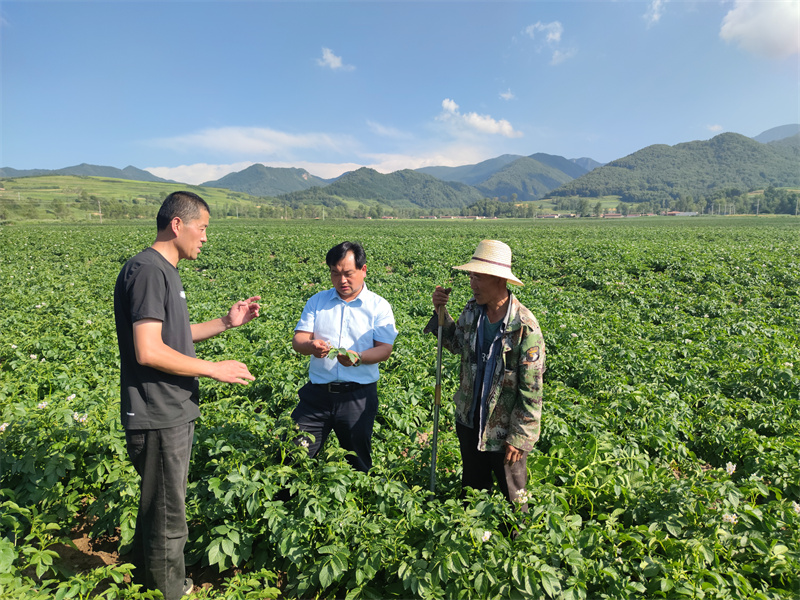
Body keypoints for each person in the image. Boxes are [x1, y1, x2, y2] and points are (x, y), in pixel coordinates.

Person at [113, 191, 260, 600]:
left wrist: (225, 323)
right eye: (203, 227)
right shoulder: (148, 270)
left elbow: (171, 336)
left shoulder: (165, 271)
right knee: (167, 516)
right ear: (178, 225)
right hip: (159, 412)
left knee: (158, 507)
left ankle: (149, 583)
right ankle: (168, 592)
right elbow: (149, 349)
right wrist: (215, 369)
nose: (205, 238)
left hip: (170, 411)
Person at [426, 239, 545, 508]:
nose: (472, 284)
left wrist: (521, 436)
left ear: (499, 280)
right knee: (473, 489)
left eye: (478, 277)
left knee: (513, 496)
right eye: (471, 276)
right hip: (470, 418)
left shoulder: (523, 326)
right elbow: (455, 343)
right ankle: (475, 541)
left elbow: (532, 389)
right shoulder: (472, 311)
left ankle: (520, 543)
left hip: (503, 430)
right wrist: (440, 312)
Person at [290, 241, 398, 473]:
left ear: (363, 270)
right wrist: (311, 345)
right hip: (316, 396)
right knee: (294, 455)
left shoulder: (378, 307)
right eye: (335, 274)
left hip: (357, 397)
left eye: (348, 274)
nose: (342, 281)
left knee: (358, 461)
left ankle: (360, 503)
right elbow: (298, 341)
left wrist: (357, 357)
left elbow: (384, 349)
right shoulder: (317, 302)